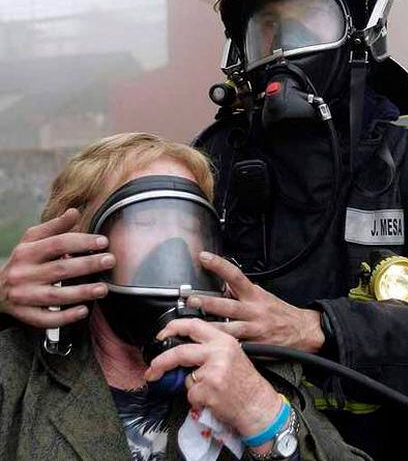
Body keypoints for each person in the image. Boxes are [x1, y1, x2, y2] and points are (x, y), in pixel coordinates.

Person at [0, 132, 373, 461]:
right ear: (77, 248)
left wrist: (263, 415)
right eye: (146, 221)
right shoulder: (17, 372)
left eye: (191, 224)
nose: (174, 244)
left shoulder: (255, 368)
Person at [192, 0, 408, 461]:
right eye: (265, 28)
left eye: (308, 21)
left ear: (363, 31)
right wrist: (24, 296)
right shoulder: (209, 161)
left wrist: (321, 327)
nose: (283, 49)